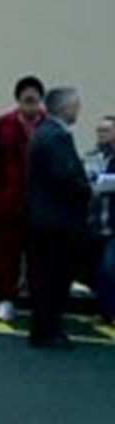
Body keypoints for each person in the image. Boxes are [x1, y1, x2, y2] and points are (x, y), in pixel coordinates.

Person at [25, 87, 90, 350]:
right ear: (65, 108)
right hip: (56, 222)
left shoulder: (43, 134)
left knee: (44, 278)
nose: (78, 110)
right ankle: (49, 331)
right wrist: (87, 189)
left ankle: (42, 329)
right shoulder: (57, 137)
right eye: (75, 105)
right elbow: (65, 177)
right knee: (55, 278)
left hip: (43, 219)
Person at [0, 76, 47, 322]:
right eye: (26, 101)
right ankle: (6, 301)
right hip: (9, 203)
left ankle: (38, 303)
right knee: (6, 255)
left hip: (42, 205)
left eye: (35, 100)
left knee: (39, 257)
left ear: (41, 101)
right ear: (18, 101)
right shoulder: (3, 126)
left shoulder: (49, 127)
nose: (31, 106)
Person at [87, 115, 115, 326]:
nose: (101, 134)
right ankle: (104, 311)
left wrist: (100, 182)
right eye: (99, 130)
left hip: (113, 224)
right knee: (99, 271)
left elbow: (103, 184)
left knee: (109, 267)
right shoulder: (93, 156)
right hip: (97, 223)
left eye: (106, 130)